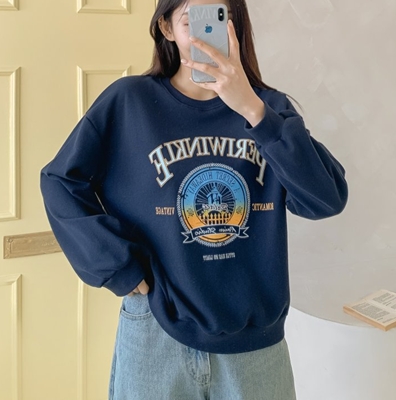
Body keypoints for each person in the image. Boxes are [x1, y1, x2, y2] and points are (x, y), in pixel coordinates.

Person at [40, 0, 348, 398]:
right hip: (156, 332)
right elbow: (60, 180)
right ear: (166, 28)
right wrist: (118, 266)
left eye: (222, 18)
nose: (207, 34)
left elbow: (326, 198)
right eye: (191, 21)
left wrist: (251, 108)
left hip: (254, 342)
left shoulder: (269, 109)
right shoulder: (129, 102)